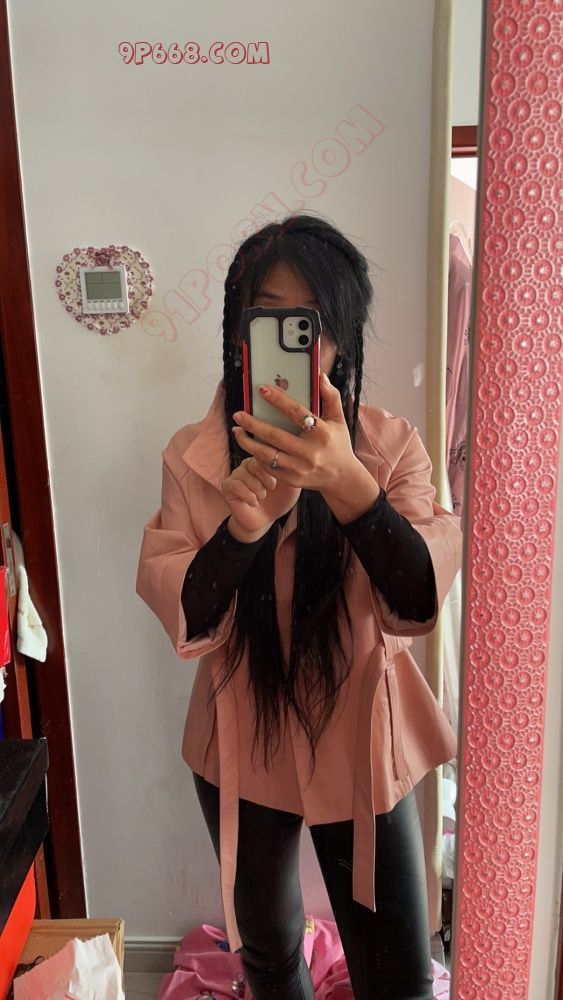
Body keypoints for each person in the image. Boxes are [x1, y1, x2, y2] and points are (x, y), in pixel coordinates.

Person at [136, 213, 463, 999]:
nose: (297, 345)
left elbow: (416, 595)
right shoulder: (193, 456)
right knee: (269, 951)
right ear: (237, 334)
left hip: (361, 734)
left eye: (313, 324)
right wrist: (242, 531)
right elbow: (186, 608)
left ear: (341, 339)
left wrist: (350, 487)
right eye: (271, 319)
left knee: (398, 976)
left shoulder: (389, 447)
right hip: (240, 734)